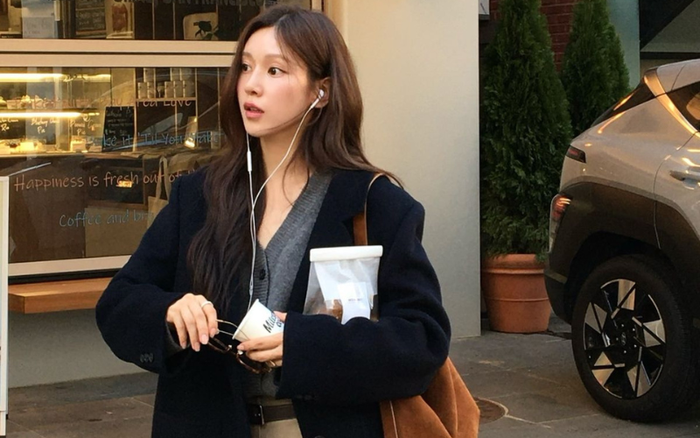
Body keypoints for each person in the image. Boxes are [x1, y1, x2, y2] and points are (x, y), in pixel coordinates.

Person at [96, 5, 450, 438]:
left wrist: (306, 345)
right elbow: (119, 303)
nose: (252, 84)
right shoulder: (200, 195)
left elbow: (421, 340)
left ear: (321, 91)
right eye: (246, 67)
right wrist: (169, 312)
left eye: (275, 70)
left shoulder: (376, 204)